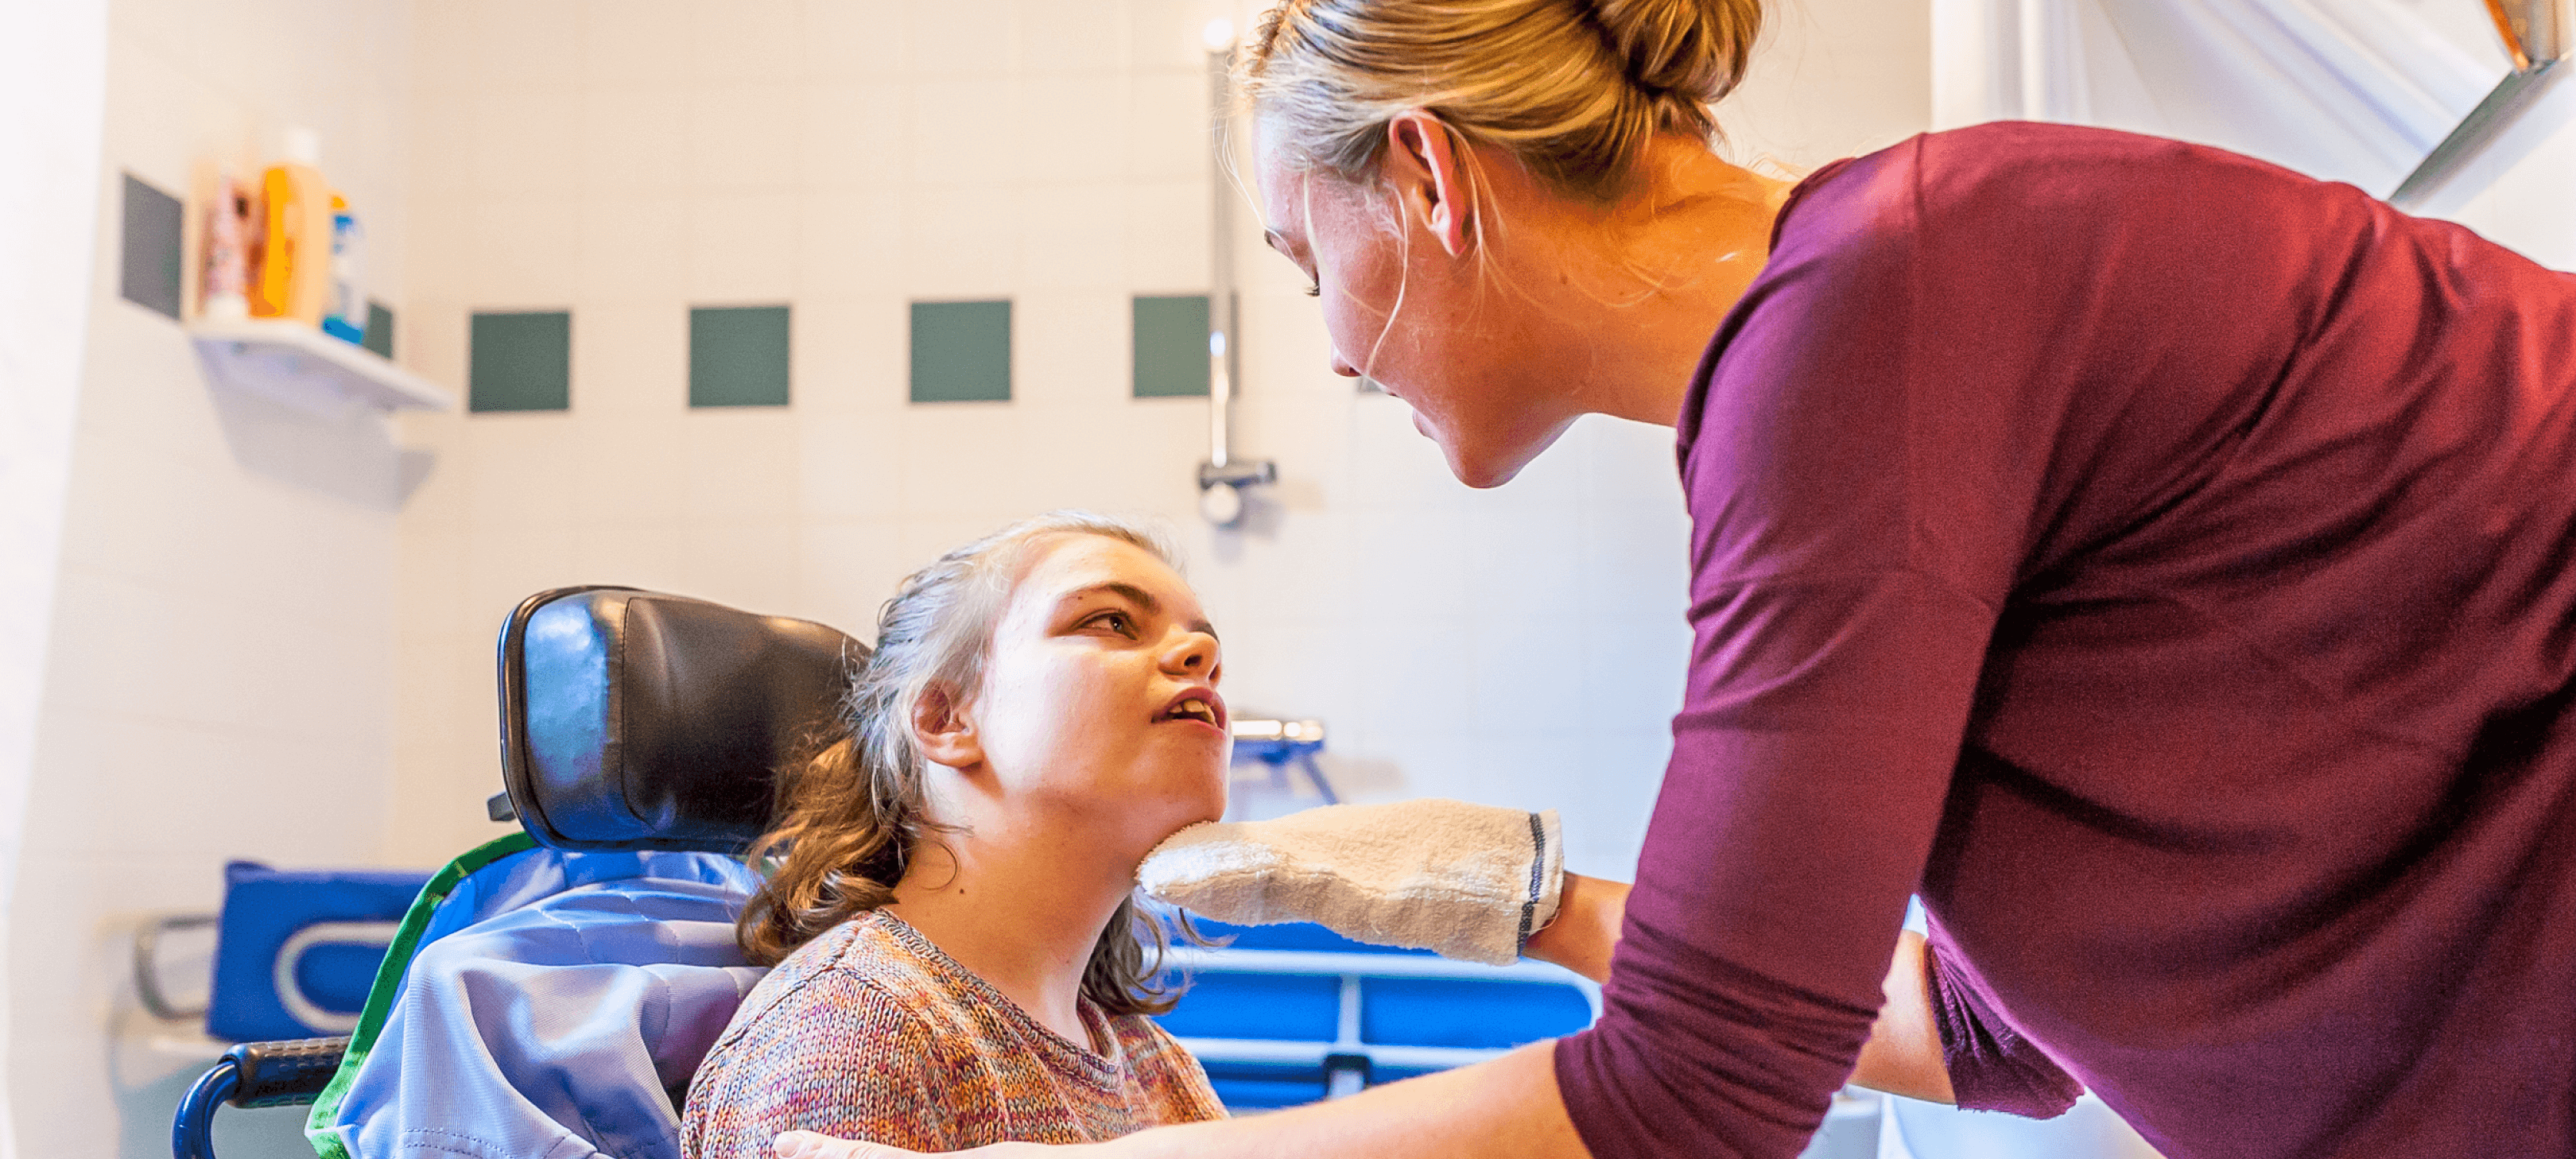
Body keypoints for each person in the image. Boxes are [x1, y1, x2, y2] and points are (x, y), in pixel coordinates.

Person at [773, 0, 2576, 1156]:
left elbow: (1688, 1094)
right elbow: (1992, 1040)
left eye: (1299, 258)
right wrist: (1538, 901)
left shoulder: (1871, 322)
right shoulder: (1862, 326)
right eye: (1102, 618)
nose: (1323, 344)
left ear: (1423, 178)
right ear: (940, 724)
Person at [680, 512, 1232, 1157]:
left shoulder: (1152, 1063)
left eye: (1205, 642)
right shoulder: (854, 1029)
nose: (1206, 658)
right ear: (946, 718)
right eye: (1109, 621)